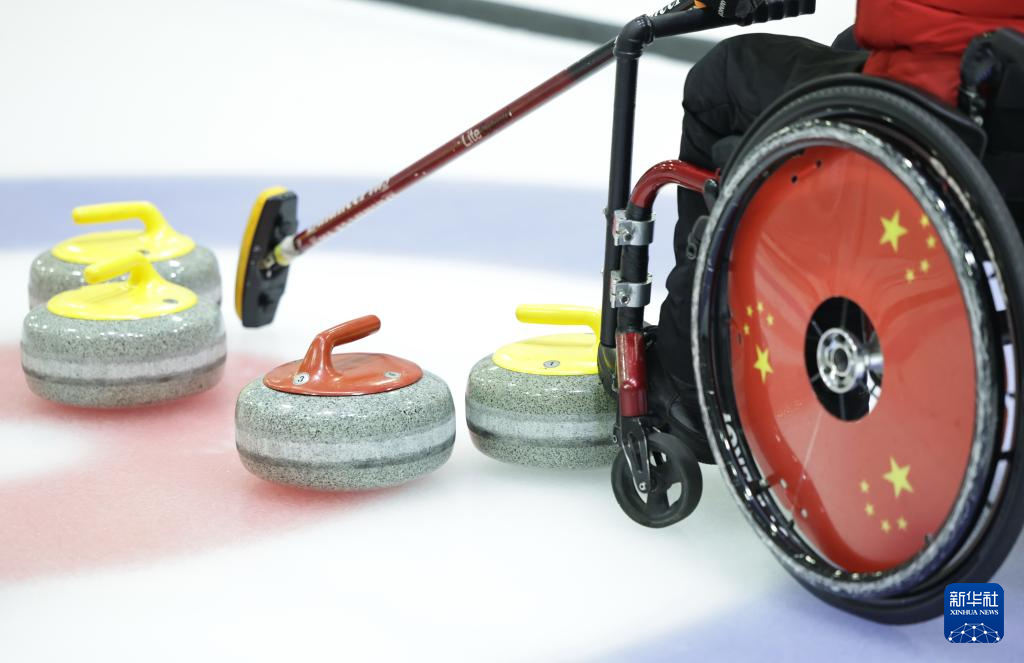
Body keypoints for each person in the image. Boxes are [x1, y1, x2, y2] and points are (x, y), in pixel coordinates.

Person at [652, 0, 1024, 457]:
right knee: (848, 45)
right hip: (1003, 103)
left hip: (935, 103)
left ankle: (693, 372)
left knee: (720, 80)